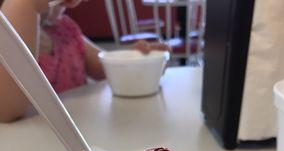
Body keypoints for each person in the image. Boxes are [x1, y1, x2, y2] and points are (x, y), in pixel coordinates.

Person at [0, 0, 170, 122]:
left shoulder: (64, 29)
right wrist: (24, 4)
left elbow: (107, 69)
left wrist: (141, 61)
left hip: (83, 145)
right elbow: (8, 110)